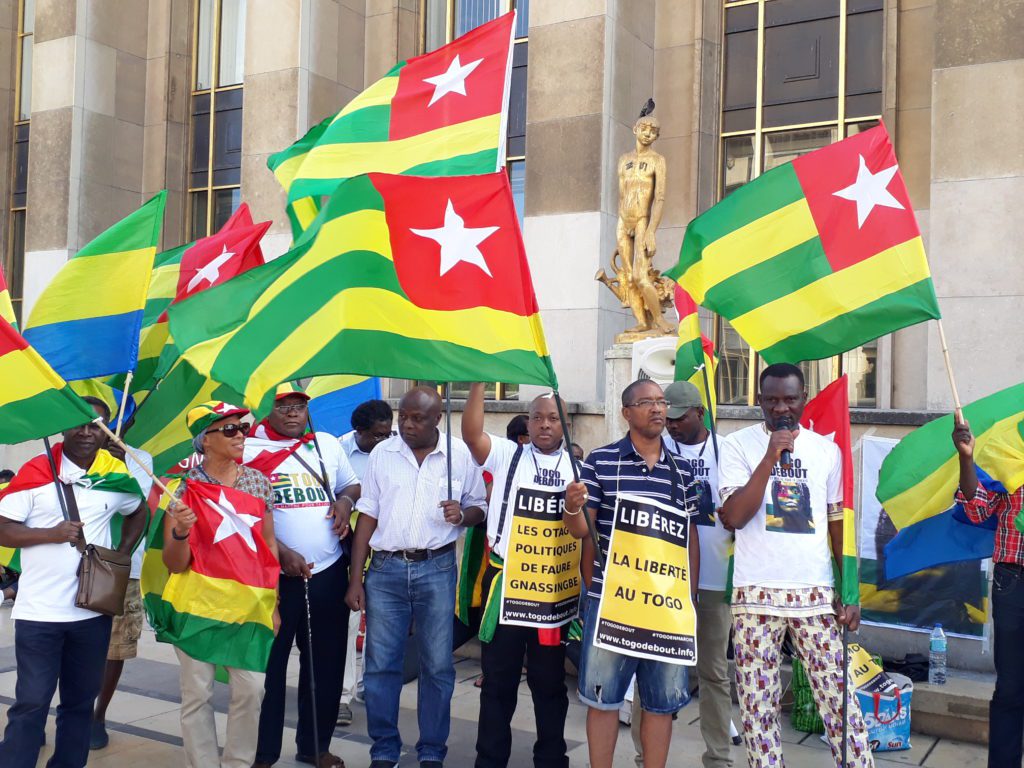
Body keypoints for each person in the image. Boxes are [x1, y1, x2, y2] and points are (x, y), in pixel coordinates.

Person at [718, 363, 872, 768]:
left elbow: (838, 525)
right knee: (757, 708)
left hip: (816, 595)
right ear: (759, 401)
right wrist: (770, 457)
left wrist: (849, 591)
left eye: (790, 399)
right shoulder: (737, 446)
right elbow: (733, 516)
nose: (781, 408)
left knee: (841, 703)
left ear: (804, 398)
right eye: (772, 400)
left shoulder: (826, 451)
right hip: (755, 597)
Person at [0, 397, 147, 768]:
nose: (86, 432)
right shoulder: (36, 471)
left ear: (106, 431)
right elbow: (2, 528)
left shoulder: (116, 474)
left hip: (91, 612)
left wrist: (123, 552)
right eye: (79, 423)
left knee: (80, 703)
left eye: (96, 425)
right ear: (64, 426)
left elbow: (139, 509)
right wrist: (52, 533)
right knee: (32, 701)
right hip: (40, 613)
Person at [345, 386, 487, 768]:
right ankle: (384, 749)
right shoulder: (382, 455)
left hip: (437, 569)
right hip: (385, 570)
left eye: (417, 418)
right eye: (402, 416)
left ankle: (431, 752)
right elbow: (368, 516)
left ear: (438, 418)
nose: (406, 424)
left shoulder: (460, 457)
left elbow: (480, 507)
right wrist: (355, 579)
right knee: (380, 666)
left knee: (437, 666)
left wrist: (463, 514)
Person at [567, 379, 698, 768]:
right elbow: (580, 530)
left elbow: (689, 536)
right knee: (602, 698)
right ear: (626, 412)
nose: (658, 409)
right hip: (612, 604)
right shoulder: (600, 462)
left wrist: (688, 599)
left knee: (661, 703)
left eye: (661, 402)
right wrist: (573, 507)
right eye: (646, 403)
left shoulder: (684, 472)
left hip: (665, 608)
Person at [461, 383, 588, 768]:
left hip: (553, 596)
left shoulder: (581, 468)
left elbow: (584, 531)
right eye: (537, 418)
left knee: (549, 684)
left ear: (566, 424)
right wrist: (480, 382)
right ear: (528, 423)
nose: (544, 425)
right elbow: (471, 433)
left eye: (553, 418)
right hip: (508, 590)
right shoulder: (506, 455)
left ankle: (551, 758)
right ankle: (490, 759)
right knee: (498, 683)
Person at [247, 385, 361, 768]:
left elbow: (351, 484)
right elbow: (239, 515)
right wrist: (280, 552)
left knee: (325, 665)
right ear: (268, 410)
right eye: (284, 407)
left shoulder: (326, 444)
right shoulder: (248, 449)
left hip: (327, 573)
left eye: (299, 406)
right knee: (269, 670)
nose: (294, 413)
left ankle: (315, 746)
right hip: (273, 579)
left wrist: (345, 502)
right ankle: (262, 753)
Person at [165, 401, 280, 768]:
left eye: (242, 428)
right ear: (206, 441)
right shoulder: (183, 489)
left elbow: (269, 547)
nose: (241, 435)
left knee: (251, 689)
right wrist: (181, 530)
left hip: (247, 607)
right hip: (198, 606)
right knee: (197, 693)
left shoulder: (258, 483)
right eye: (229, 429)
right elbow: (174, 562)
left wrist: (273, 605)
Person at [630, 380, 733, 768]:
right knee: (651, 672)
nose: (671, 424)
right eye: (666, 416)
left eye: (679, 418)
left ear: (700, 414)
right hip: (663, 581)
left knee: (714, 674)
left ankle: (719, 758)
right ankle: (645, 758)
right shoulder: (657, 450)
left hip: (713, 581)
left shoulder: (728, 451)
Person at [953, 418, 1024, 767]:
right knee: (1011, 687)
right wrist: (967, 459)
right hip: (1013, 583)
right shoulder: (1011, 451)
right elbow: (977, 507)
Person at [90, 410, 155, 751]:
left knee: (114, 649)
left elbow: (135, 505)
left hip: (122, 569)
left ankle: (97, 716)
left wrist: (121, 463)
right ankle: (46, 710)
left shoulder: (140, 459)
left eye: (107, 423)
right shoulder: (70, 458)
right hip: (76, 565)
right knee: (59, 642)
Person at [337, 399, 394, 727]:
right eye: (377, 435)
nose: (384, 440)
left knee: (384, 623)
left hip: (388, 548)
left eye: (388, 433)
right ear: (360, 432)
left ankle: (369, 685)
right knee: (349, 622)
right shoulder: (339, 452)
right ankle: (342, 695)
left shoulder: (398, 448)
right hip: (350, 549)